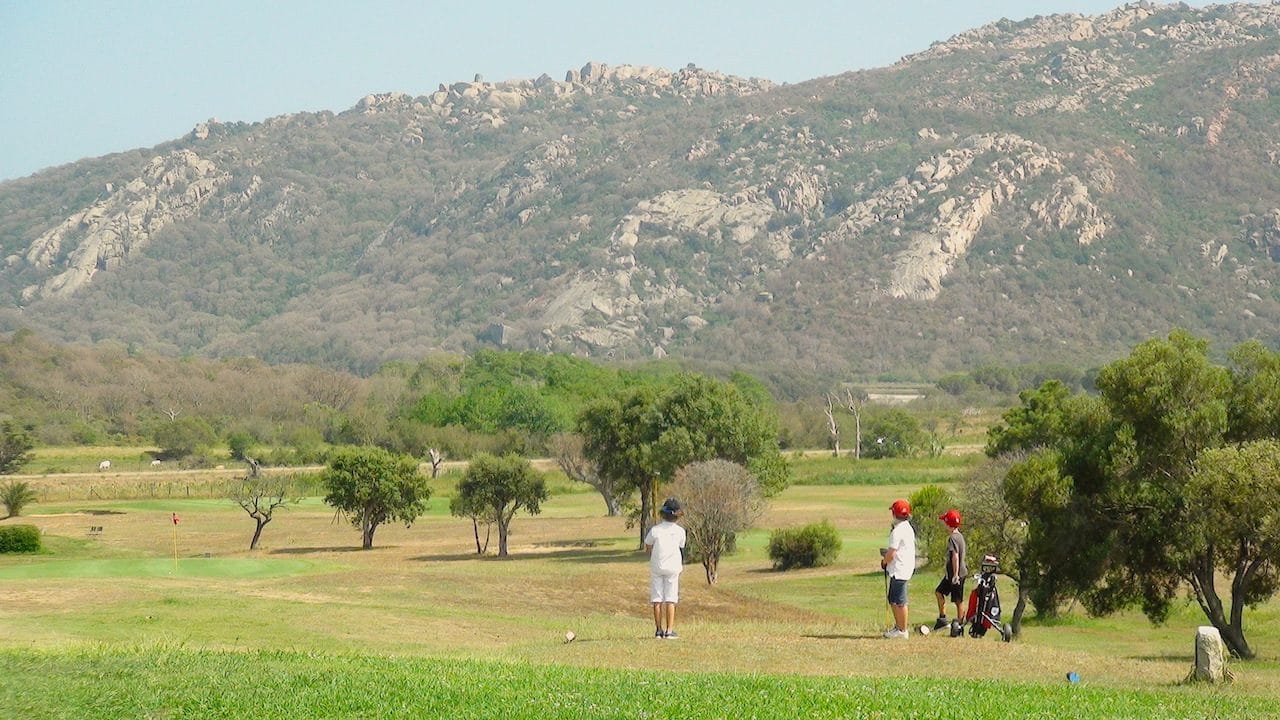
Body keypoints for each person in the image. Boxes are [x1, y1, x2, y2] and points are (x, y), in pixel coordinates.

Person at [644, 497, 687, 639]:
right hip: (673, 567)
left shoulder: (655, 530)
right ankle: (669, 630)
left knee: (657, 598)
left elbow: (648, 545)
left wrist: (653, 555)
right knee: (671, 598)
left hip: (657, 566)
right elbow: (681, 546)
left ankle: (658, 630)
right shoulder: (680, 531)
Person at [880, 498, 916, 639]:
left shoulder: (897, 531)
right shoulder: (908, 527)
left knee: (900, 601)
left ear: (895, 514)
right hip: (903, 567)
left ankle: (902, 630)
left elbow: (891, 552)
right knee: (893, 599)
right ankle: (899, 627)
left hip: (899, 569)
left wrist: (884, 561)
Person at [933, 509, 968, 631]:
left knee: (958, 600)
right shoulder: (960, 536)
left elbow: (955, 556)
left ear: (948, 523)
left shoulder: (952, 538)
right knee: (939, 592)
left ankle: (960, 625)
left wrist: (955, 575)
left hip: (956, 574)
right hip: (951, 574)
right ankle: (942, 619)